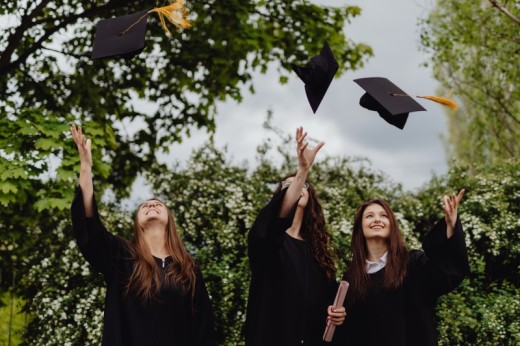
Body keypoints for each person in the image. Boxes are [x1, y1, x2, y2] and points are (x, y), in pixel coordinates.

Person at [70, 124, 215, 346]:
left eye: (158, 204)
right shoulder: (122, 257)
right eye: (144, 205)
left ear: (170, 221)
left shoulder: (188, 268)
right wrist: (86, 167)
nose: (151, 204)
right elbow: (91, 231)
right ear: (137, 223)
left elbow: (203, 330)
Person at [245, 127, 346, 346]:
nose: (297, 187)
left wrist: (336, 313)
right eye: (288, 186)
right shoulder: (267, 241)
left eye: (302, 185)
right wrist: (303, 169)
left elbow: (328, 303)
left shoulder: (318, 253)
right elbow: (275, 222)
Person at [336, 190, 469, 346]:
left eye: (384, 216)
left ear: (392, 225)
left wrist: (451, 226)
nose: (377, 219)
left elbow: (446, 276)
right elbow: (351, 332)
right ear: (360, 228)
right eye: (369, 216)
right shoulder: (351, 278)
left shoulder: (413, 263)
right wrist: (339, 319)